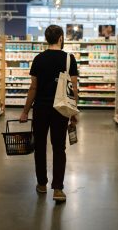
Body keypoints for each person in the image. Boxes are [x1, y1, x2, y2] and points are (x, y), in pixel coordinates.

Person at [20, 25, 78, 202]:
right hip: (61, 110)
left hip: (41, 109)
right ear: (61, 38)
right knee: (59, 148)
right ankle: (58, 189)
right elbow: (73, 88)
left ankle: (42, 184)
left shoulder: (38, 59)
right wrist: (73, 112)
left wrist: (25, 112)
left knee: (40, 146)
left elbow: (33, 88)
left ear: (46, 38)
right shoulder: (69, 58)